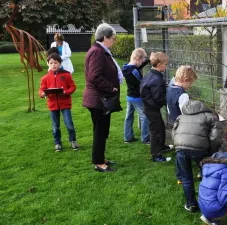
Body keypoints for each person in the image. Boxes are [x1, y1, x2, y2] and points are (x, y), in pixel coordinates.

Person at [83, 23, 123, 172]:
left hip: (100, 99)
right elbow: (94, 76)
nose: (114, 41)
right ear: (105, 38)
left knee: (102, 130)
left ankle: (100, 157)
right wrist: (110, 87)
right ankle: (99, 163)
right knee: (100, 131)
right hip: (98, 100)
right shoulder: (97, 52)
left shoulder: (101, 50)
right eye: (112, 38)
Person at [172, 100, 223, 213]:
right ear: (203, 107)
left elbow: (174, 132)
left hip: (180, 149)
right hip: (200, 150)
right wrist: (211, 152)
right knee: (208, 175)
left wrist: (178, 145)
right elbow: (215, 138)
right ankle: (209, 202)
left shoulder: (181, 117)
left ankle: (191, 205)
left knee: (186, 178)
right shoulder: (210, 117)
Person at [39, 53, 79, 152]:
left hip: (65, 103)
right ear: (48, 64)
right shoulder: (45, 78)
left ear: (60, 63)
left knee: (69, 124)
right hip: (53, 105)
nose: (53, 65)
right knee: (55, 126)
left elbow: (73, 87)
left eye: (56, 62)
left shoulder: (66, 75)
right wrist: (43, 94)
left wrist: (66, 92)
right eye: (51, 63)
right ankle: (57, 143)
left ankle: (73, 140)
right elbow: (41, 90)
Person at [140, 52, 172, 162]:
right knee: (155, 131)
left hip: (150, 107)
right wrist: (167, 100)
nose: (166, 66)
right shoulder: (157, 79)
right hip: (151, 108)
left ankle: (162, 146)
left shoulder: (151, 74)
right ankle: (155, 155)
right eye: (166, 64)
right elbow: (158, 97)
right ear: (159, 65)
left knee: (161, 127)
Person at [123, 48, 150, 144]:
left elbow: (139, 66)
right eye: (143, 59)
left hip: (129, 96)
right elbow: (142, 83)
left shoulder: (126, 67)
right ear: (138, 58)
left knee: (128, 117)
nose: (143, 62)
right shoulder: (134, 71)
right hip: (137, 98)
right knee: (145, 117)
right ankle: (145, 139)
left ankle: (128, 137)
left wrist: (148, 60)